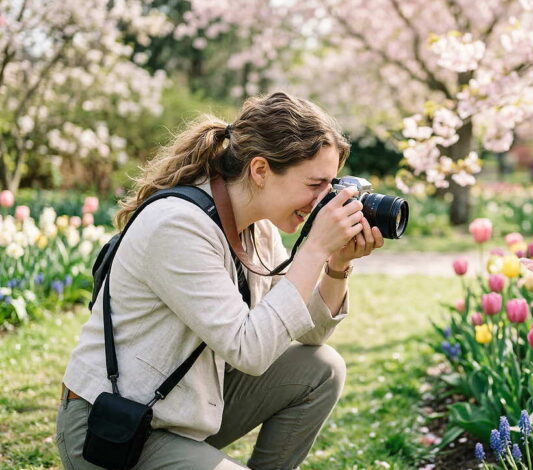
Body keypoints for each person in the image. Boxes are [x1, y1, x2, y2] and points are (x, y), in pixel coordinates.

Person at [56, 92, 384, 469]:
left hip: (185, 409)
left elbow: (307, 334)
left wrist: (336, 265)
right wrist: (312, 250)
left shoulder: (257, 228)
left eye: (332, 185)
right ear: (260, 171)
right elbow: (250, 350)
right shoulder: (177, 224)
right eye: (315, 185)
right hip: (116, 428)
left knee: (321, 368)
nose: (324, 200)